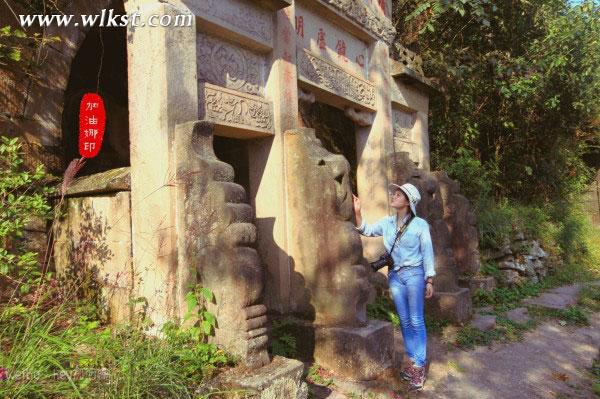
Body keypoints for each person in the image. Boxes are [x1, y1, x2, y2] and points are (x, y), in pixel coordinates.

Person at [353, 183, 435, 391]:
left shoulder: (420, 225)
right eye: (394, 193)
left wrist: (430, 280)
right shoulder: (387, 223)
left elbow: (427, 252)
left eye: (398, 194)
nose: (394, 195)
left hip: (415, 274)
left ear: (408, 201)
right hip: (395, 276)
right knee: (405, 320)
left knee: (416, 319)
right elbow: (366, 230)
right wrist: (357, 211)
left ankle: (419, 365)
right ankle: (412, 361)